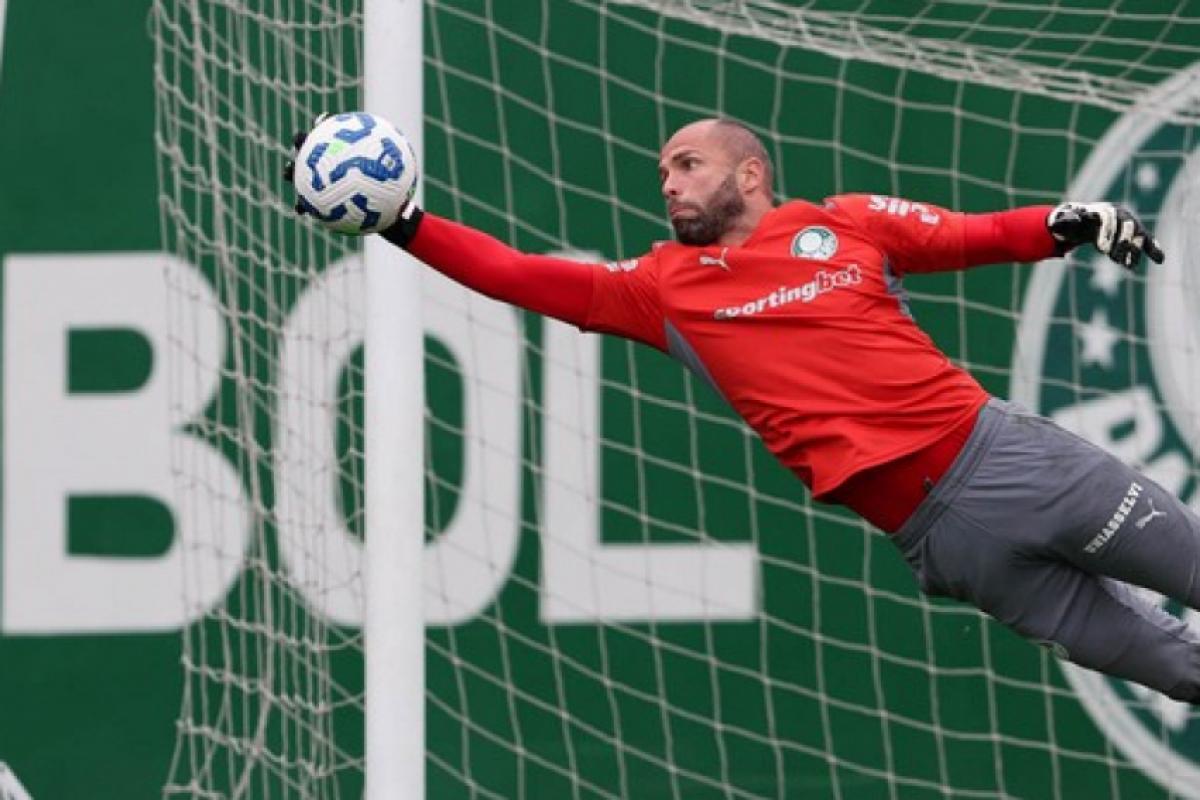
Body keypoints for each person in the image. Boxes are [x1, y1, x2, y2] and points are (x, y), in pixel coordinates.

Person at [290, 117, 1200, 703]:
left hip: (1015, 464)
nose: (669, 183)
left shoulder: (844, 223)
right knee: (1176, 670)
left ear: (752, 172)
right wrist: (402, 223)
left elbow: (972, 234)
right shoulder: (662, 288)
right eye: (662, 172)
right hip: (945, 544)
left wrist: (1074, 220)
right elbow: (517, 275)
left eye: (688, 165)